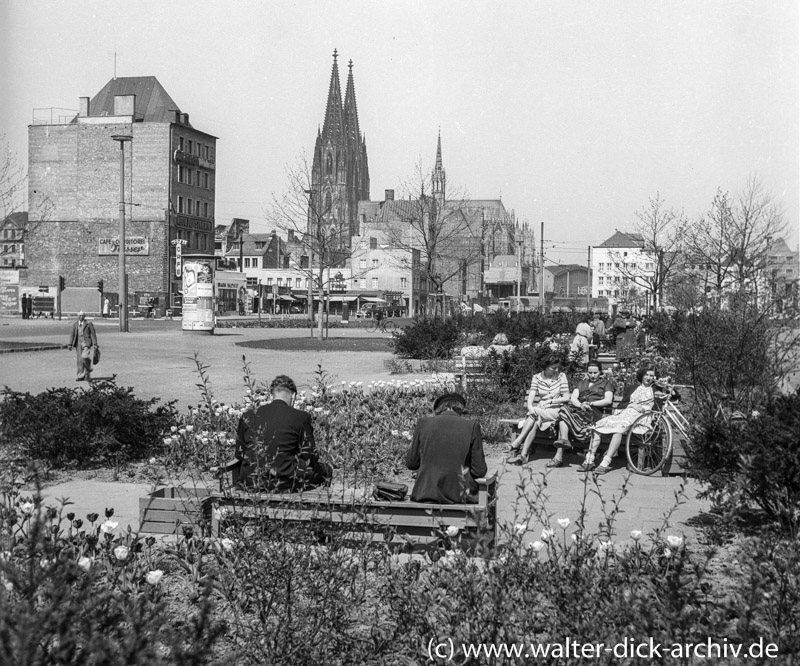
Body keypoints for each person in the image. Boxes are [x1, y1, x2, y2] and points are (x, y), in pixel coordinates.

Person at [235, 374, 332, 491]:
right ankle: (320, 506)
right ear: (294, 395)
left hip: (252, 482)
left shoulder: (248, 416)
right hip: (287, 482)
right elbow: (309, 456)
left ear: (272, 395)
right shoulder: (301, 417)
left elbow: (239, 453)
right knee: (326, 470)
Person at [405, 393, 487, 504]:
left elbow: (411, 463)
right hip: (461, 494)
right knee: (488, 492)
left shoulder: (423, 424)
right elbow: (479, 471)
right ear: (460, 409)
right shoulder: (471, 426)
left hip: (426, 493)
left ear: (438, 409)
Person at [578, 365, 661, 474]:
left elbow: (672, 397)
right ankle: (589, 460)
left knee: (618, 430)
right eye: (646, 375)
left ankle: (605, 462)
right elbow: (622, 404)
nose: (649, 378)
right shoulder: (632, 388)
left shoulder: (656, 390)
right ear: (642, 375)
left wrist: (665, 387)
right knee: (597, 426)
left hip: (641, 416)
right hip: (626, 413)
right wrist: (632, 405)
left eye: (651, 376)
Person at [548, 361, 615, 467]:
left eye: (595, 373)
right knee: (564, 410)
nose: (592, 375)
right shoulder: (581, 383)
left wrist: (591, 403)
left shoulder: (606, 384)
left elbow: (608, 400)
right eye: (590, 373)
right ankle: (564, 440)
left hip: (594, 413)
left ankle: (559, 456)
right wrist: (580, 405)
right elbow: (573, 398)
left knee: (563, 416)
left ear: (600, 372)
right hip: (579, 411)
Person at [507, 356, 571, 466]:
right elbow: (532, 394)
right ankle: (523, 454)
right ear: (546, 367)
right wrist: (530, 407)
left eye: (557, 367)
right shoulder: (536, 377)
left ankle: (518, 441)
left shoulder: (561, 376)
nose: (556, 370)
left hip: (557, 411)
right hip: (541, 411)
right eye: (553, 368)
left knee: (534, 413)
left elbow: (566, 397)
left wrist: (550, 401)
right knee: (535, 421)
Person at [67, 311, 98, 382]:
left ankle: (88, 370)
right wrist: (70, 344)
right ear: (78, 317)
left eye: (82, 315)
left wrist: (95, 344)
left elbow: (93, 334)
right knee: (79, 361)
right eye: (80, 315)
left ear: (84, 316)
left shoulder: (88, 324)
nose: (81, 317)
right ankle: (81, 376)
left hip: (86, 343)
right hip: (78, 344)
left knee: (85, 357)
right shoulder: (75, 324)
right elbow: (72, 335)